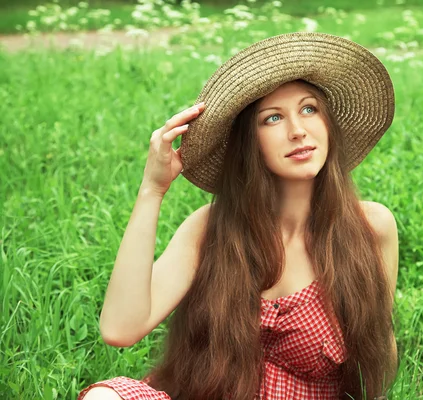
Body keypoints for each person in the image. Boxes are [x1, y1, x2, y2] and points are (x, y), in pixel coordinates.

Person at [78, 32, 399, 400]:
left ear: (328, 124)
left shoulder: (371, 228)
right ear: (250, 142)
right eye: (273, 118)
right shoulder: (209, 229)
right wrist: (153, 191)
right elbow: (120, 328)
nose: (298, 131)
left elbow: (376, 358)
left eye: (309, 109)